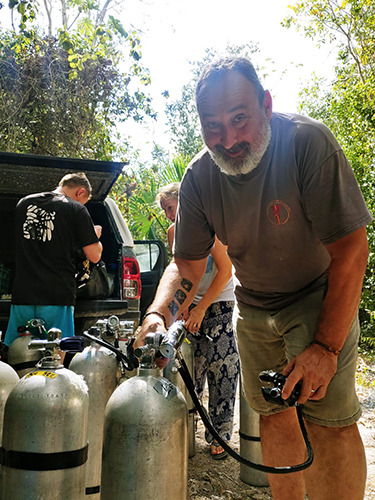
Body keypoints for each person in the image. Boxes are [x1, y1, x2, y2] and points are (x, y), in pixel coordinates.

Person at [136, 57, 372, 499]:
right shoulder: (200, 177)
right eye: (213, 126)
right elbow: (187, 264)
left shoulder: (307, 143)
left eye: (239, 119)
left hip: (317, 295)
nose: (228, 139)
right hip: (254, 305)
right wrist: (157, 312)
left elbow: (351, 250)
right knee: (272, 414)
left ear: (265, 104)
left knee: (328, 421)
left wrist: (325, 348)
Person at [156, 182, 240, 459]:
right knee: (191, 370)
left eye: (170, 207)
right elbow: (183, 273)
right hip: (191, 306)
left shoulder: (209, 228)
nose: (168, 214)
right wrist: (181, 307)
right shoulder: (172, 233)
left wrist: (202, 307)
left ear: (186, 202)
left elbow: (225, 270)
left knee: (222, 369)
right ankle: (185, 434)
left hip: (219, 302)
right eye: (164, 209)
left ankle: (220, 436)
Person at [4, 172, 102, 347]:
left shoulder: (24, 203)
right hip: (57, 295)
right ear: (80, 192)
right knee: (56, 351)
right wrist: (94, 236)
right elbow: (94, 256)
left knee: (16, 351)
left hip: (23, 294)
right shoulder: (76, 209)